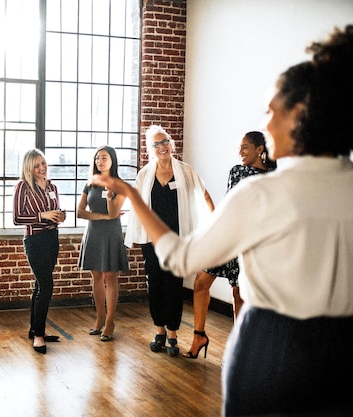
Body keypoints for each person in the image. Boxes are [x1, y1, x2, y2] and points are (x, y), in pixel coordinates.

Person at [93, 25, 353, 416]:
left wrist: (129, 195)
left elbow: (181, 259)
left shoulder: (261, 192)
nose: (265, 127)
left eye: (270, 111)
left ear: (299, 114)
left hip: (273, 350)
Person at [183, 131, 276, 359]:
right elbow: (228, 205)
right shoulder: (236, 172)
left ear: (259, 149)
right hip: (226, 237)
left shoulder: (272, 178)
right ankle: (199, 336)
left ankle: (239, 349)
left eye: (245, 147)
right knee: (200, 283)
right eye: (239, 147)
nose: (240, 152)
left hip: (250, 242)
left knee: (239, 294)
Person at [124, 125, 215, 357]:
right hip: (152, 241)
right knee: (154, 284)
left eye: (164, 142)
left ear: (171, 143)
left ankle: (173, 334)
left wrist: (215, 225)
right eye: (156, 144)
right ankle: (159, 331)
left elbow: (204, 195)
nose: (162, 147)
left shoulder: (185, 171)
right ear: (149, 149)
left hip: (178, 240)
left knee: (174, 286)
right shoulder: (144, 174)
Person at [13, 149, 66, 354]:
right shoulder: (23, 187)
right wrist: (43, 215)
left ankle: (35, 329)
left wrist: (60, 216)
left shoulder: (52, 185)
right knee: (46, 286)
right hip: (34, 240)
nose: (42, 168)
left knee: (40, 285)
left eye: (43, 163)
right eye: (37, 165)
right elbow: (18, 218)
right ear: (29, 168)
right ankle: (38, 335)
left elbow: (56, 211)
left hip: (52, 238)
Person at [77, 145, 129, 342]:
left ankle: (110, 321)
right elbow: (80, 211)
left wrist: (109, 197)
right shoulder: (89, 183)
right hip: (94, 232)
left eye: (105, 157)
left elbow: (115, 213)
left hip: (111, 234)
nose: (100, 161)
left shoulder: (120, 185)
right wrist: (102, 217)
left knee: (110, 276)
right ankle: (99, 318)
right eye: (98, 158)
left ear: (113, 160)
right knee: (96, 275)